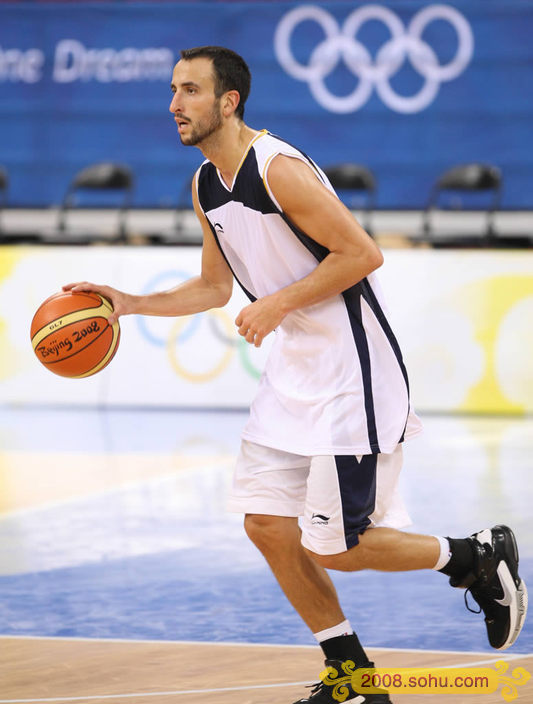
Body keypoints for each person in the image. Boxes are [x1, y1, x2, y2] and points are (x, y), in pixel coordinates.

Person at [64, 46, 527, 704]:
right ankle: (353, 676)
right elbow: (211, 287)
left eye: (190, 90)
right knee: (266, 525)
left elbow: (361, 254)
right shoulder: (205, 185)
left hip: (351, 370)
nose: (173, 104)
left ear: (228, 101)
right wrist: (129, 303)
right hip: (292, 372)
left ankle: (474, 556)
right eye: (172, 89)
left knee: (338, 545)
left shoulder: (275, 168)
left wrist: (276, 303)